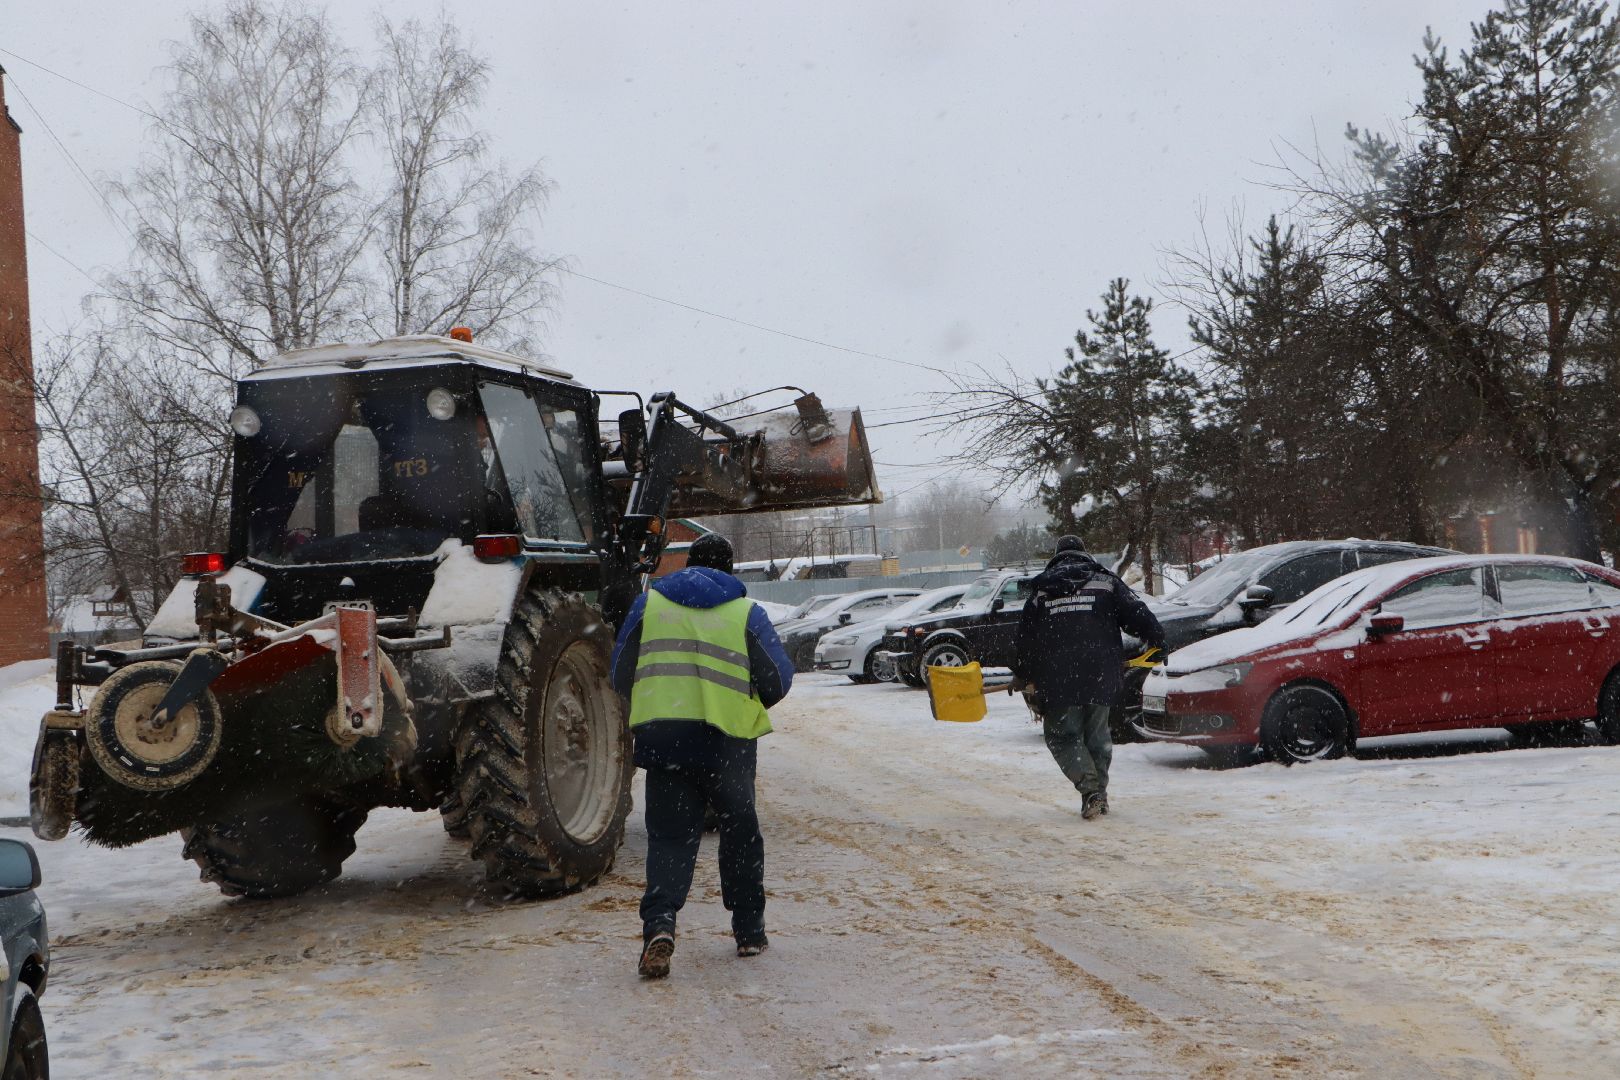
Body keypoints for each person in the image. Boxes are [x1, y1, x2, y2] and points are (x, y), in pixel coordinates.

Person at [610, 532, 794, 979]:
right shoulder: (746, 613)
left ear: (687, 563)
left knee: (670, 840)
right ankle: (749, 932)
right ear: (729, 569)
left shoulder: (649, 606)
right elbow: (778, 679)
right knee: (739, 836)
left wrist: (662, 704)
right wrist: (738, 700)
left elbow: (619, 672)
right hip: (727, 745)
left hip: (665, 743)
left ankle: (660, 923)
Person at [1012, 535, 1165, 820]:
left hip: (1058, 675)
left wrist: (1022, 672)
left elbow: (1025, 638)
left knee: (1062, 736)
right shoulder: (1105, 581)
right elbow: (1136, 612)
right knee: (1097, 737)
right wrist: (1157, 638)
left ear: (1056, 557)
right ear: (1085, 554)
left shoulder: (1043, 589)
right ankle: (1099, 796)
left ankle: (1091, 792)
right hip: (1101, 671)